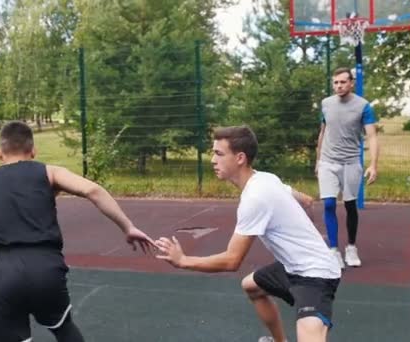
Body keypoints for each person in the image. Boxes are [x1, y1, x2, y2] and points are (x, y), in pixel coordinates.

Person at [0, 121, 156, 342]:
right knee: (63, 327)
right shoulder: (49, 173)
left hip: (0, 274)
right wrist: (128, 227)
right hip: (46, 268)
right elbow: (93, 190)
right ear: (33, 151)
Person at [155, 126, 341, 342]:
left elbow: (231, 261)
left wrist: (183, 261)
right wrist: (309, 237)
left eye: (219, 154)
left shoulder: (255, 197)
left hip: (315, 274)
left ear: (240, 158)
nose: (213, 160)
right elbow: (307, 200)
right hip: (293, 266)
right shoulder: (265, 178)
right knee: (251, 286)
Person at [316, 67, 379, 268]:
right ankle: (333, 250)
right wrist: (318, 160)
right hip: (328, 161)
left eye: (343, 82)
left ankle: (351, 248)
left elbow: (372, 136)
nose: (339, 86)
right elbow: (323, 132)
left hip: (351, 162)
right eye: (335, 82)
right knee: (328, 204)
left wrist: (373, 165)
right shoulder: (326, 104)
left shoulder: (363, 106)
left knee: (350, 206)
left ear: (351, 83)